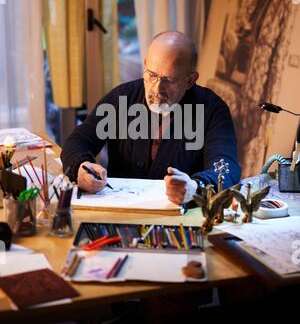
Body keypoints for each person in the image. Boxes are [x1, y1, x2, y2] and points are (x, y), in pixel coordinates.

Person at [61, 30, 241, 203]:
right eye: (152, 75)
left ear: (190, 80)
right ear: (145, 65)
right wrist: (81, 167)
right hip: (121, 213)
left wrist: (196, 187)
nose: (157, 89)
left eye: (169, 80)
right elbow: (78, 141)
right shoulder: (121, 98)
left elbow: (225, 168)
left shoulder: (212, 109)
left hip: (181, 219)